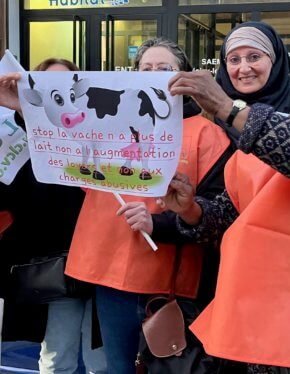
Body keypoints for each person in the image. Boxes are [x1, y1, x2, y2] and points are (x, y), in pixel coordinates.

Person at [160, 35, 290, 373]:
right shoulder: (264, 151)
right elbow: (227, 221)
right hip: (261, 328)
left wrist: (229, 109)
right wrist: (191, 209)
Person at [64, 38, 232, 374]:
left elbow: (217, 210)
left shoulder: (206, 134)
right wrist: (23, 107)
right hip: (111, 278)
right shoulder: (104, 125)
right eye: (146, 69)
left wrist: (160, 222)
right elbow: (59, 142)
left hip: (169, 284)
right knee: (119, 367)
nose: (154, 76)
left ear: (183, 77)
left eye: (165, 69)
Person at [0, 58, 107, 374]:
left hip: (103, 265)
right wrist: (22, 113)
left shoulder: (101, 132)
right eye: (47, 85)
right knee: (56, 357)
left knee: (102, 362)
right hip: (57, 268)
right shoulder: (19, 142)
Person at [212, 21, 290, 145]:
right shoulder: (208, 115)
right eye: (234, 60)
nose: (244, 69)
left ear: (274, 59)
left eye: (254, 57)